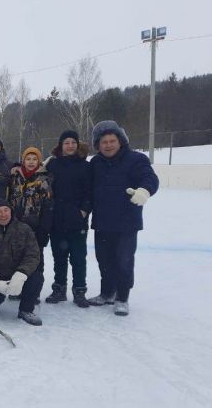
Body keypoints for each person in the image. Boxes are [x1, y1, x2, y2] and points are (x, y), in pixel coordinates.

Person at [87, 120, 159, 316]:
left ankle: (122, 298)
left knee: (124, 260)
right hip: (102, 221)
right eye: (104, 142)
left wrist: (145, 190)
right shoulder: (95, 163)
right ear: (98, 145)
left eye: (112, 140)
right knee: (104, 260)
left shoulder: (136, 159)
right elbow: (84, 186)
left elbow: (150, 178)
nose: (108, 145)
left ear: (120, 141)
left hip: (127, 223)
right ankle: (107, 293)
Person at [0, 198, 43, 326]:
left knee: (37, 277)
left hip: (17, 274)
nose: (3, 214)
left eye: (6, 210)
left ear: (11, 212)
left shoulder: (24, 230)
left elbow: (33, 255)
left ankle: (26, 310)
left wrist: (21, 274)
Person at [44, 130, 92, 307]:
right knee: (59, 257)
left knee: (78, 258)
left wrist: (84, 210)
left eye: (73, 142)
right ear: (61, 146)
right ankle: (59, 289)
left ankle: (79, 291)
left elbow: (90, 192)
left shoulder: (85, 166)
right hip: (57, 219)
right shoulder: (53, 165)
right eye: (66, 142)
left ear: (77, 145)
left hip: (77, 220)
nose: (70, 145)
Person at [8, 146, 53, 304]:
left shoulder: (43, 179)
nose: (31, 162)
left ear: (39, 161)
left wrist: (44, 230)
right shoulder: (15, 177)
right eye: (28, 159)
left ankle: (34, 291)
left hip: (35, 227)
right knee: (16, 258)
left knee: (35, 260)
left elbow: (48, 206)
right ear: (23, 160)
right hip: (16, 226)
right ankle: (17, 288)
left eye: (34, 159)